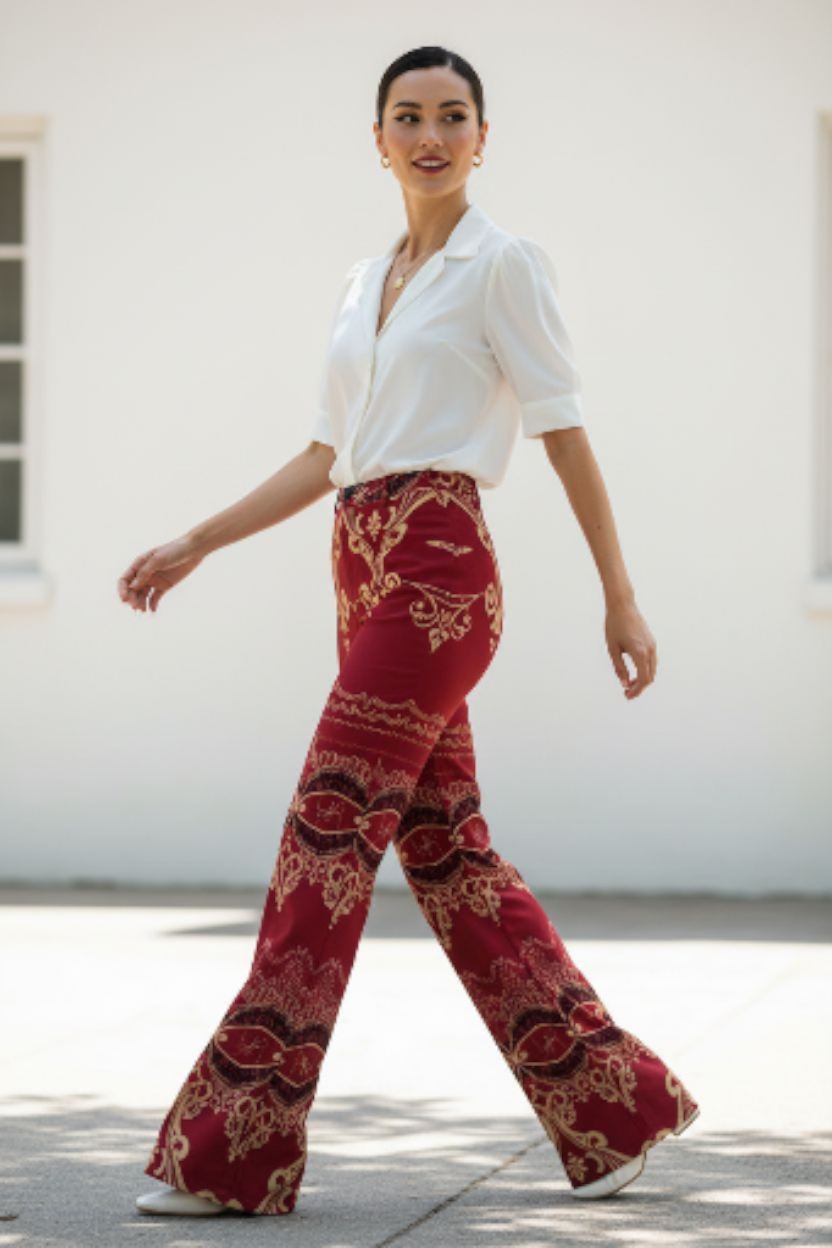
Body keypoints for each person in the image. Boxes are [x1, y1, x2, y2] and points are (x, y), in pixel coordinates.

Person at [121, 45, 699, 1219]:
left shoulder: (504, 266)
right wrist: (197, 540)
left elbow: (564, 431)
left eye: (451, 116)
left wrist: (619, 594)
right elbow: (326, 457)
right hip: (357, 562)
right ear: (375, 139)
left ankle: (234, 1146)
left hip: (438, 576)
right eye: (407, 116)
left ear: (483, 138)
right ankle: (614, 1106)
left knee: (324, 839)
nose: (429, 135)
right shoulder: (361, 280)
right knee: (447, 857)